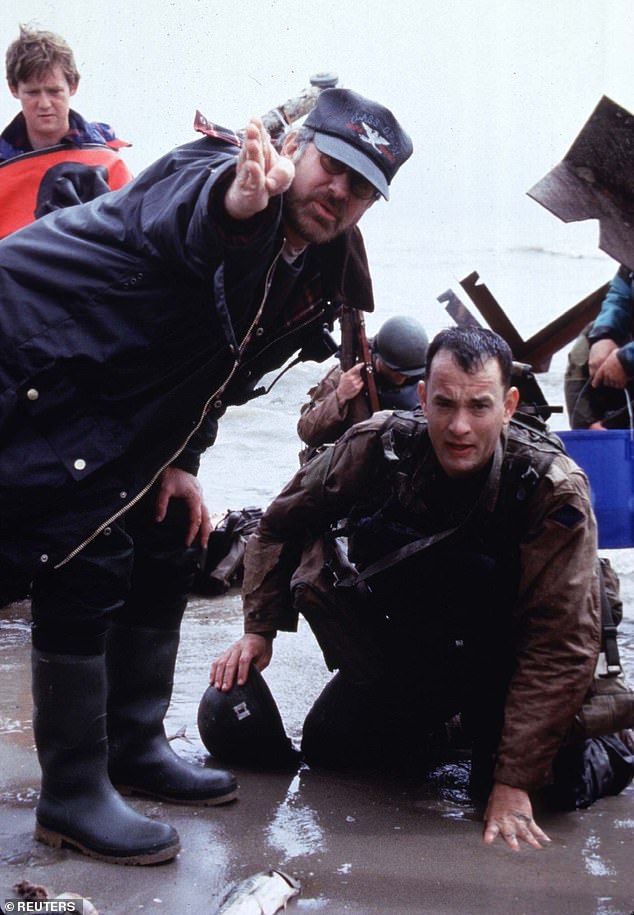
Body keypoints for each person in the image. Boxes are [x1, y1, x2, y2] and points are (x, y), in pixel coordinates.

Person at [0, 85, 412, 864]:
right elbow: (202, 225)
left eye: (361, 188)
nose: (339, 193)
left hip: (104, 394)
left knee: (167, 533)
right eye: (333, 167)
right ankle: (73, 793)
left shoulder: (316, 268)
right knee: (77, 559)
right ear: (296, 148)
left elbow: (221, 366)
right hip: (28, 349)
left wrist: (181, 463)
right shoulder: (214, 170)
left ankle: (132, 746)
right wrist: (241, 199)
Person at [209, 325, 610, 851]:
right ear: (423, 397)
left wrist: (514, 781)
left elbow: (562, 644)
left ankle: (611, 741)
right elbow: (279, 522)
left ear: (509, 405)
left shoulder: (551, 487)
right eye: (443, 404)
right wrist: (259, 630)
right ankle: (452, 728)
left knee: (546, 793)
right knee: (334, 751)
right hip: (417, 648)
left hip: (512, 663)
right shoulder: (380, 446)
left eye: (479, 406)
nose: (459, 427)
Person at [1, 24, 132, 238]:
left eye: (54, 91)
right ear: (14, 89)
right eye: (33, 92)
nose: (44, 104)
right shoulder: (2, 170)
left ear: (73, 86)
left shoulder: (107, 163)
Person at [297, 314, 428, 460]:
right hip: (353, 461)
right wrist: (340, 396)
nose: (403, 378)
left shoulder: (421, 370)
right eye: (396, 371)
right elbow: (307, 432)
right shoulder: (346, 375)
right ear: (380, 358)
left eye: (408, 374)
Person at [564, 264, 634, 429]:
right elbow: (619, 295)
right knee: (587, 342)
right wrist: (604, 335)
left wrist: (625, 359)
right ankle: (591, 430)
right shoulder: (629, 252)